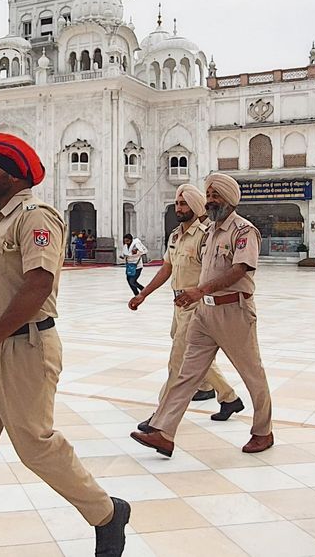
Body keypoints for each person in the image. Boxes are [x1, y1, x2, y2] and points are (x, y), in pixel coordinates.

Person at [0, 133, 130, 557]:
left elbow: (39, 284)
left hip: (23, 349)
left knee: (34, 446)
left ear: (13, 172)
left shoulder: (35, 217)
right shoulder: (0, 221)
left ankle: (106, 512)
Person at [130, 173, 274, 458]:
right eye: (208, 196)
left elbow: (239, 270)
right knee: (186, 373)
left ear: (230, 199)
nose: (210, 201)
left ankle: (263, 431)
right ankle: (164, 431)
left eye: (215, 196)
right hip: (203, 312)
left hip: (233, 311)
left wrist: (199, 290)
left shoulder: (244, 231)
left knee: (252, 374)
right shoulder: (208, 232)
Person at [129, 184, 243, 428]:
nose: (179, 208)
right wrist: (143, 295)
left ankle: (160, 419)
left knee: (178, 360)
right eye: (177, 204)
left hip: (198, 305)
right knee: (195, 356)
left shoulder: (206, 235)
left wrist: (202, 294)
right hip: (179, 304)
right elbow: (167, 268)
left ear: (196, 206)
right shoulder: (175, 235)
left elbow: (216, 271)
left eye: (184, 204)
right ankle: (228, 397)